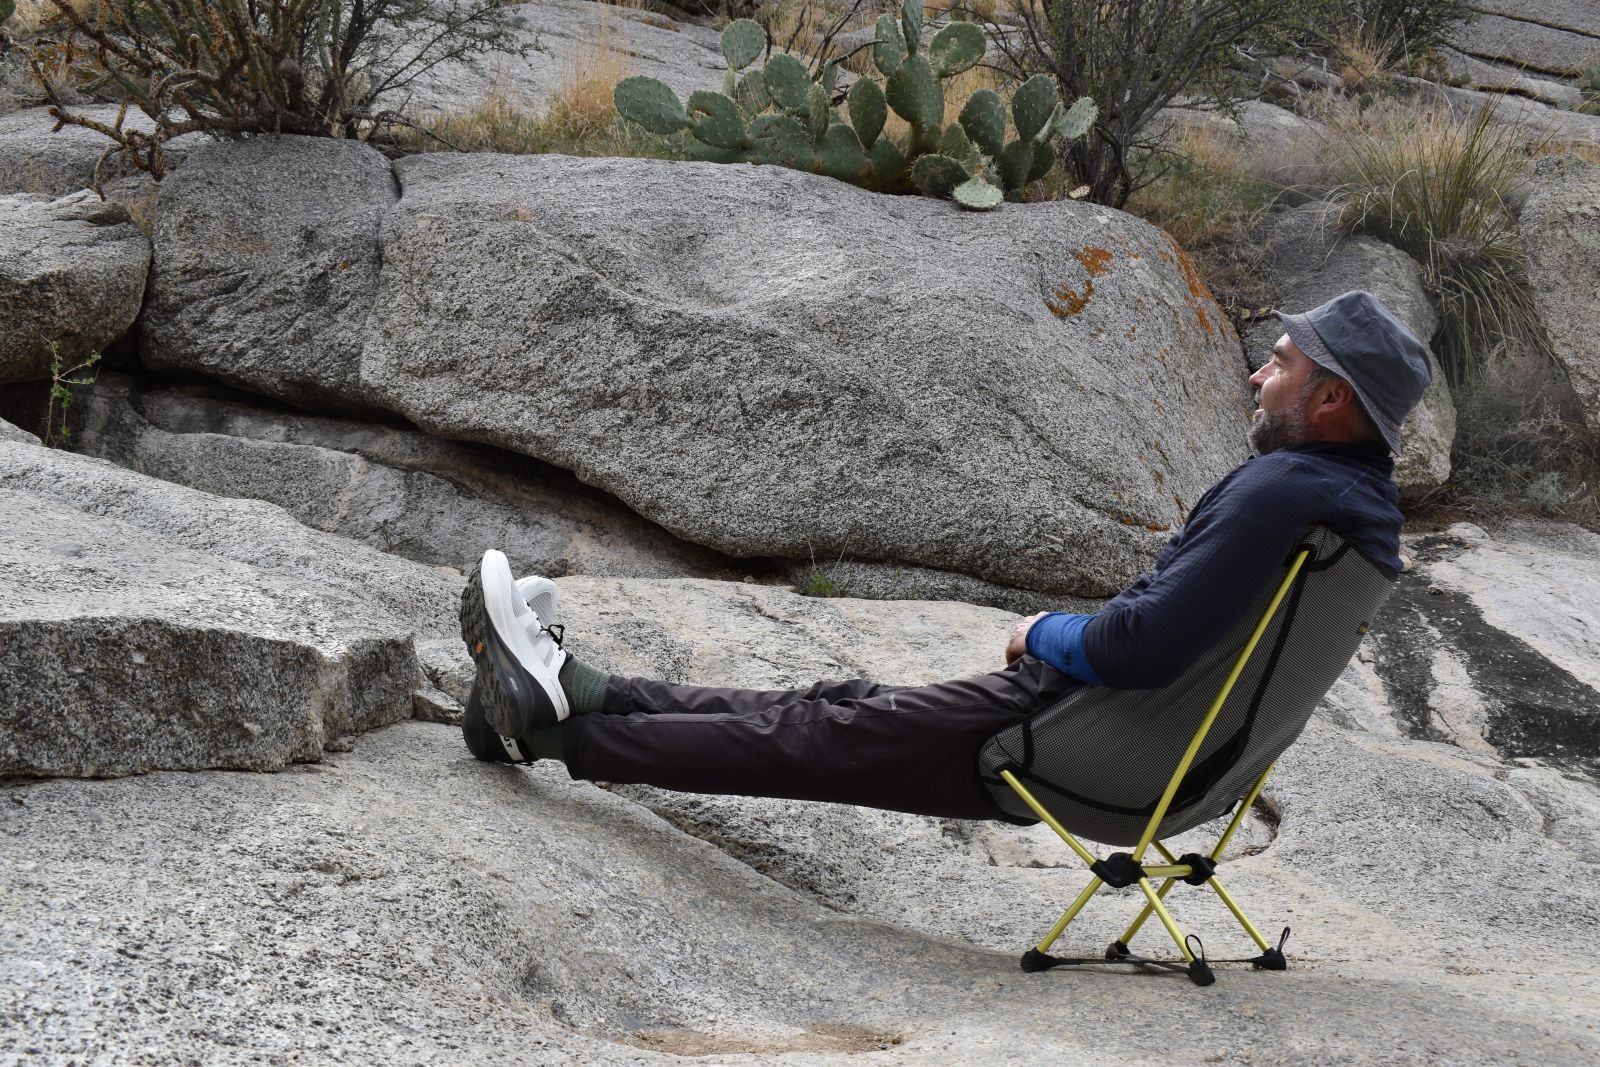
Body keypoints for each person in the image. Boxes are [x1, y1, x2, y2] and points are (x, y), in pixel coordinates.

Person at [457, 290, 1433, 821]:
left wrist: (1039, 630)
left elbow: (1141, 643)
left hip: (1084, 740)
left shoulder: (1287, 493)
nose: (1259, 375)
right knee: (832, 710)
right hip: (1157, 766)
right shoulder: (1355, 512)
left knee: (820, 735)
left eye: (1282, 364)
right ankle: (569, 688)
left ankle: (538, 732)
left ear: (1333, 399)